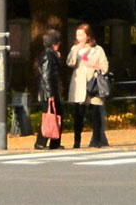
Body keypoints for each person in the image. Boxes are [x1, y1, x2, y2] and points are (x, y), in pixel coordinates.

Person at [68, 22, 111, 150]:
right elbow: (70, 63)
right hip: (80, 85)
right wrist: (76, 49)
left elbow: (105, 67)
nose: (79, 37)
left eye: (81, 35)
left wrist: (95, 66)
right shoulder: (75, 49)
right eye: (77, 35)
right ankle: (77, 141)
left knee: (96, 114)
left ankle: (97, 139)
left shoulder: (97, 50)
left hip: (94, 83)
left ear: (88, 35)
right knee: (79, 115)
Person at [35, 28, 65, 147]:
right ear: (55, 44)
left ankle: (52, 142)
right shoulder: (49, 56)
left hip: (48, 92)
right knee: (52, 116)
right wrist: (51, 94)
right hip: (48, 93)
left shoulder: (50, 55)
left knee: (54, 116)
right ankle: (45, 142)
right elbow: (47, 76)